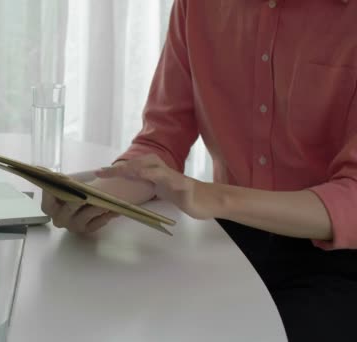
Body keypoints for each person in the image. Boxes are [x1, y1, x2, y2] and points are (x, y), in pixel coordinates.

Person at [41, 1, 357, 341]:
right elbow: (161, 143)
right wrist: (97, 195)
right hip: (232, 242)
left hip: (341, 261)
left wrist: (213, 197)